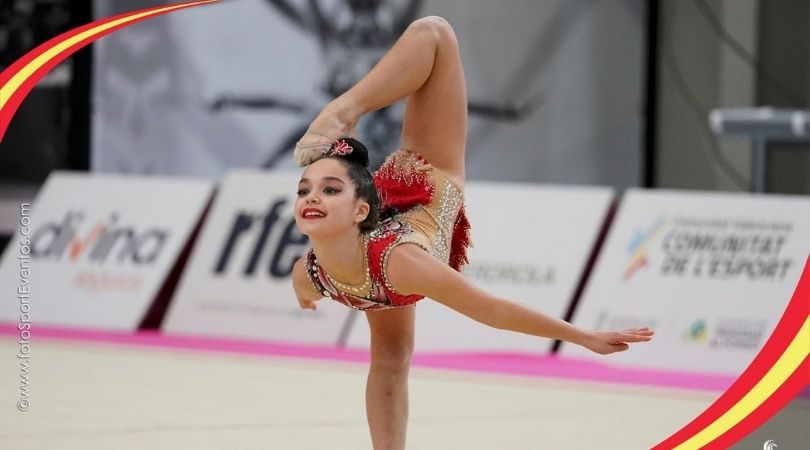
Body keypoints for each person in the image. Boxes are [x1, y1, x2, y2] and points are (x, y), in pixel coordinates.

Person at [291, 16, 654, 450]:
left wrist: (581, 336)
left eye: (330, 189)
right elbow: (306, 287)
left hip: (424, 178)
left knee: (435, 32)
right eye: (304, 190)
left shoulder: (398, 262)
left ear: (359, 210)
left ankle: (344, 111)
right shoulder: (310, 273)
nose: (311, 197)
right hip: (382, 248)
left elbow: (492, 310)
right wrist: (305, 296)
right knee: (389, 359)